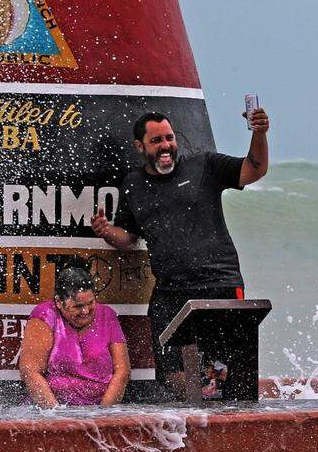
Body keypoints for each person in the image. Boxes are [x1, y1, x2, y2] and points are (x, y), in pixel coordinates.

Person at [91, 106, 270, 398]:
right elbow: (129, 237)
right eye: (156, 140)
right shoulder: (133, 185)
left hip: (219, 285)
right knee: (173, 375)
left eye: (169, 138)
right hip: (170, 291)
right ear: (140, 146)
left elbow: (254, 169)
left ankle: (230, 426)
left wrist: (259, 134)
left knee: (224, 375)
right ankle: (189, 426)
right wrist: (106, 231)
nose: (165, 146)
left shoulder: (205, 166)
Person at [18, 265, 131, 408]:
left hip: (100, 411)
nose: (85, 311)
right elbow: (30, 371)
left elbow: (122, 371)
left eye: (90, 303)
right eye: (77, 306)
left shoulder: (107, 315)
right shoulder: (45, 315)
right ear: (59, 302)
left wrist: (103, 415)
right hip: (52, 411)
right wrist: (56, 416)